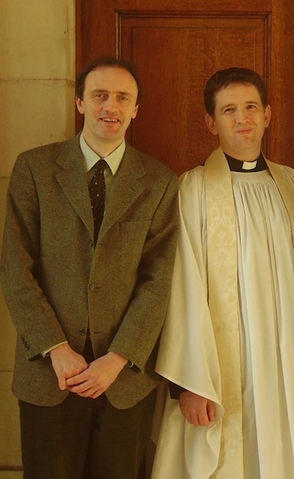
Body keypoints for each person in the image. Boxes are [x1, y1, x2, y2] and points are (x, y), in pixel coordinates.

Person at [0, 56, 179, 479]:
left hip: (124, 379)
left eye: (122, 98)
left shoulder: (158, 181)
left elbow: (160, 279)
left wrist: (118, 357)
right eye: (100, 95)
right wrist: (55, 348)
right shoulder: (35, 168)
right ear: (80, 102)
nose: (110, 107)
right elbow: (15, 267)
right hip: (50, 375)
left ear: (136, 109)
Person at [151, 67, 294, 479]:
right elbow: (179, 290)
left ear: (268, 113)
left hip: (287, 364)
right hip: (216, 375)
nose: (242, 119)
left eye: (250, 107)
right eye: (229, 110)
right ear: (211, 122)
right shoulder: (191, 190)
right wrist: (188, 383)